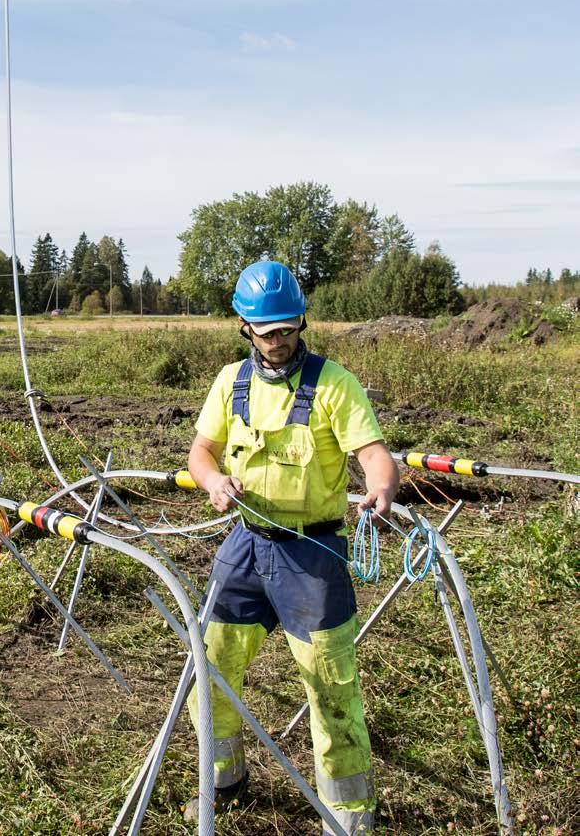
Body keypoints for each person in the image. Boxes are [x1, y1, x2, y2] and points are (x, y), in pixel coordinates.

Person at [185, 260, 398, 834]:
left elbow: (374, 452)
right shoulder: (230, 382)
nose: (280, 342)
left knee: (330, 684)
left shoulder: (333, 382)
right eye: (267, 331)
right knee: (211, 666)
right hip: (245, 547)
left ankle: (348, 815)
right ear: (244, 327)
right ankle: (223, 782)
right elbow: (201, 452)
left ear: (301, 321)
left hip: (312, 556)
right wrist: (212, 481)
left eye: (289, 328)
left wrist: (380, 485)